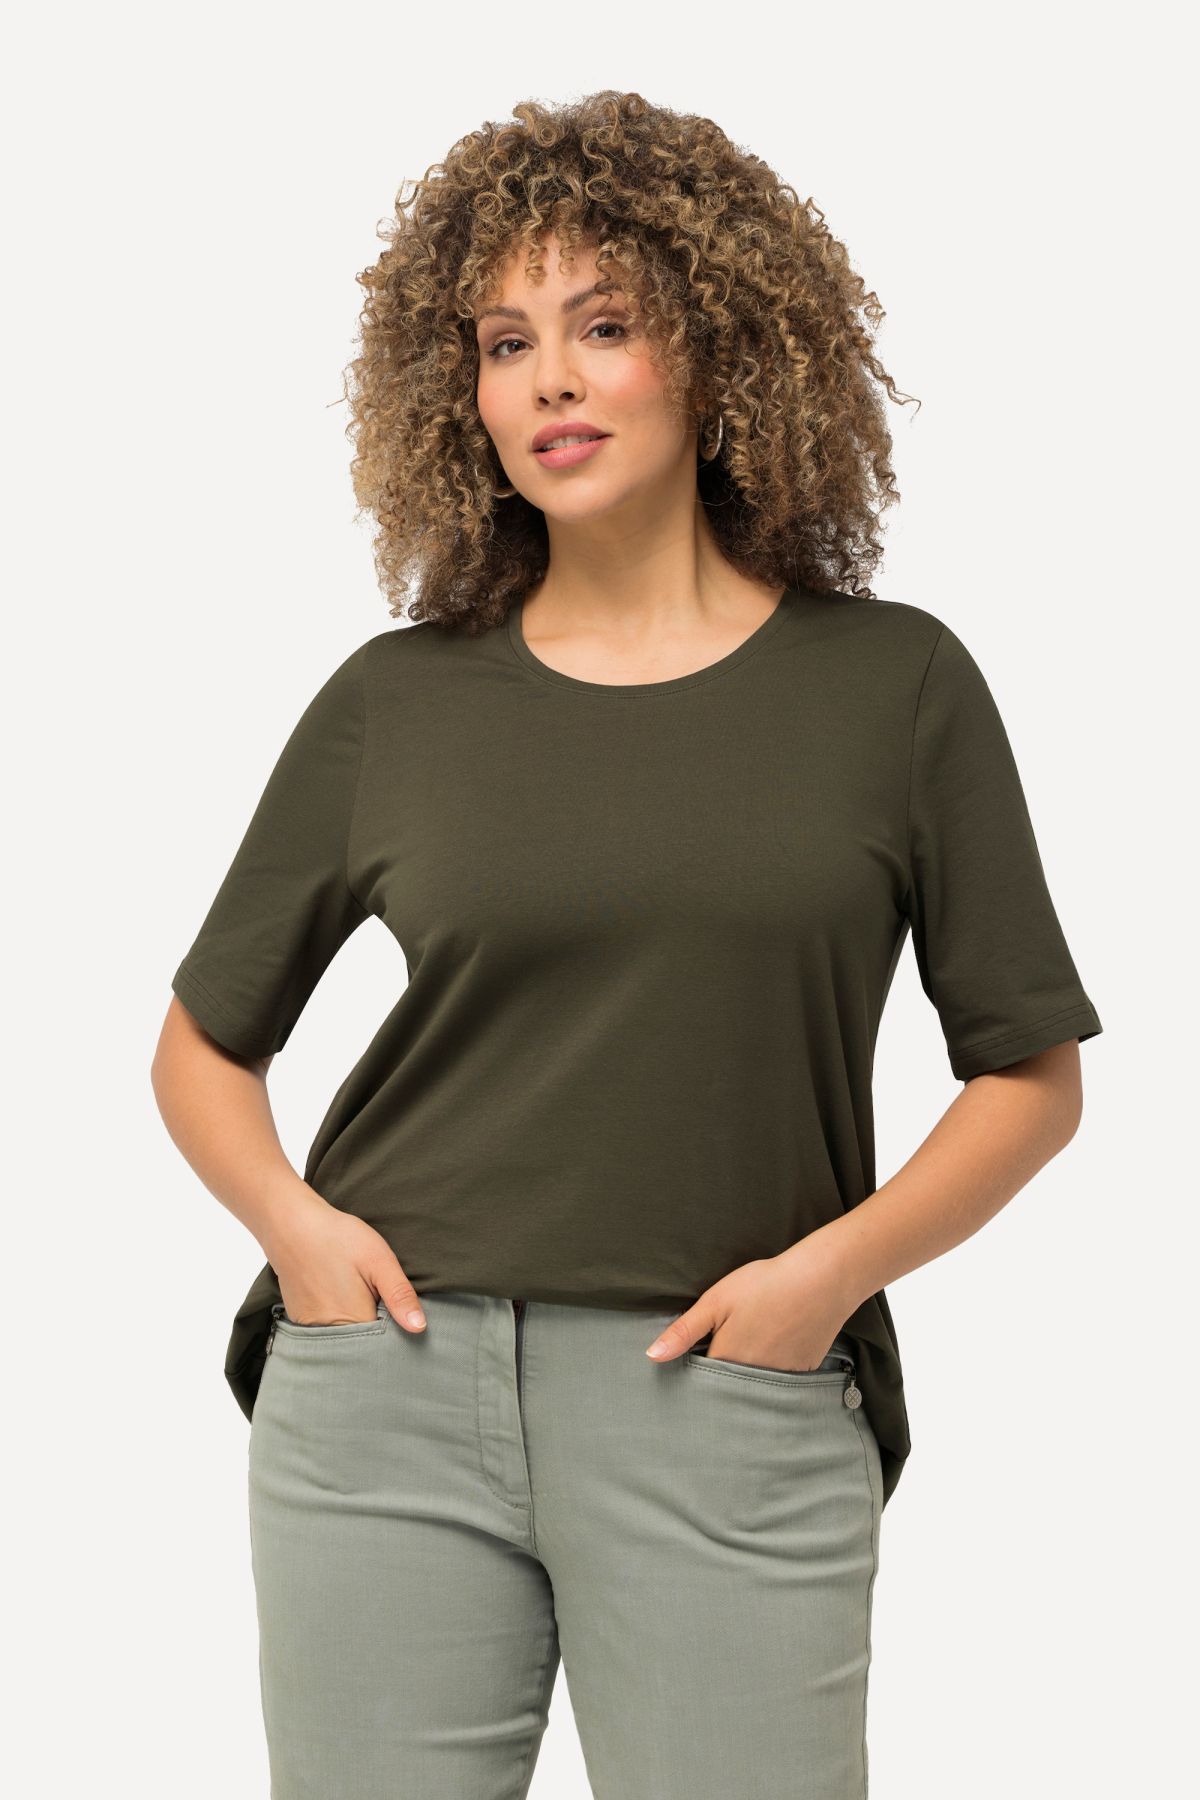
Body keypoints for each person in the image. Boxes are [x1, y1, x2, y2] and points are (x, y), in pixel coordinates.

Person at [151, 90, 1103, 1800]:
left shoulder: (893, 687)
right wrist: (299, 1237)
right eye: (505, 343)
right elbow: (201, 1045)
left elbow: (1030, 1080)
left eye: (604, 326)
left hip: (727, 1393)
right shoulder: (396, 701)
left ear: (722, 348)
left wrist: (824, 1282)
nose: (551, 382)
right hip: (385, 1394)